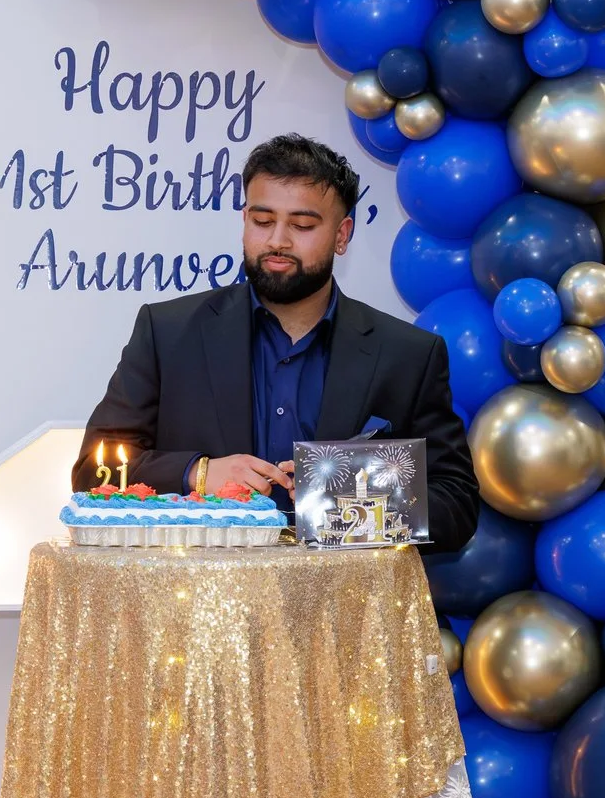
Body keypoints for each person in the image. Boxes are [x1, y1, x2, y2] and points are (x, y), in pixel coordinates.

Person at [72, 132, 479, 552]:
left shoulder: (407, 353)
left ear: (342, 235)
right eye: (262, 221)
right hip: (192, 605)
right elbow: (91, 472)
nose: (277, 241)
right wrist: (197, 473)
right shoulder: (168, 331)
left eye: (301, 225)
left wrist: (347, 501)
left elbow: (457, 503)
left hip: (341, 610)